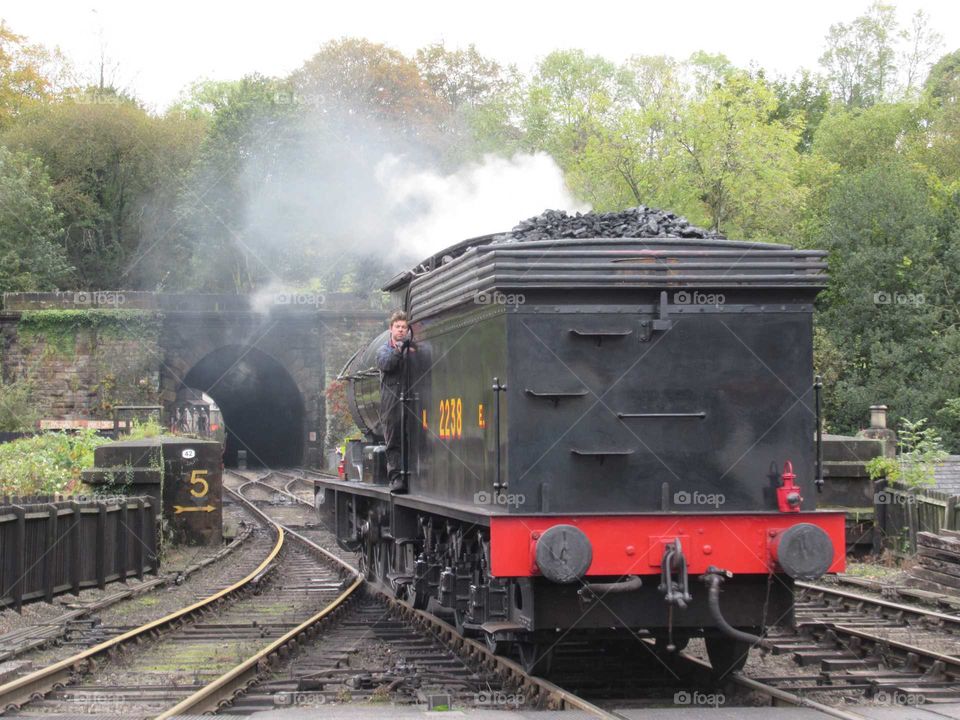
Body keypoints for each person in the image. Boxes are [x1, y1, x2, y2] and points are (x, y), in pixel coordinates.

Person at [377, 310, 412, 493]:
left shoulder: (412, 350)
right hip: (391, 403)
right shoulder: (384, 350)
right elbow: (387, 364)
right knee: (393, 440)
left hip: (410, 400)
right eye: (397, 327)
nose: (400, 330)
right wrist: (400, 349)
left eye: (404, 327)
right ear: (391, 329)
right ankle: (396, 477)